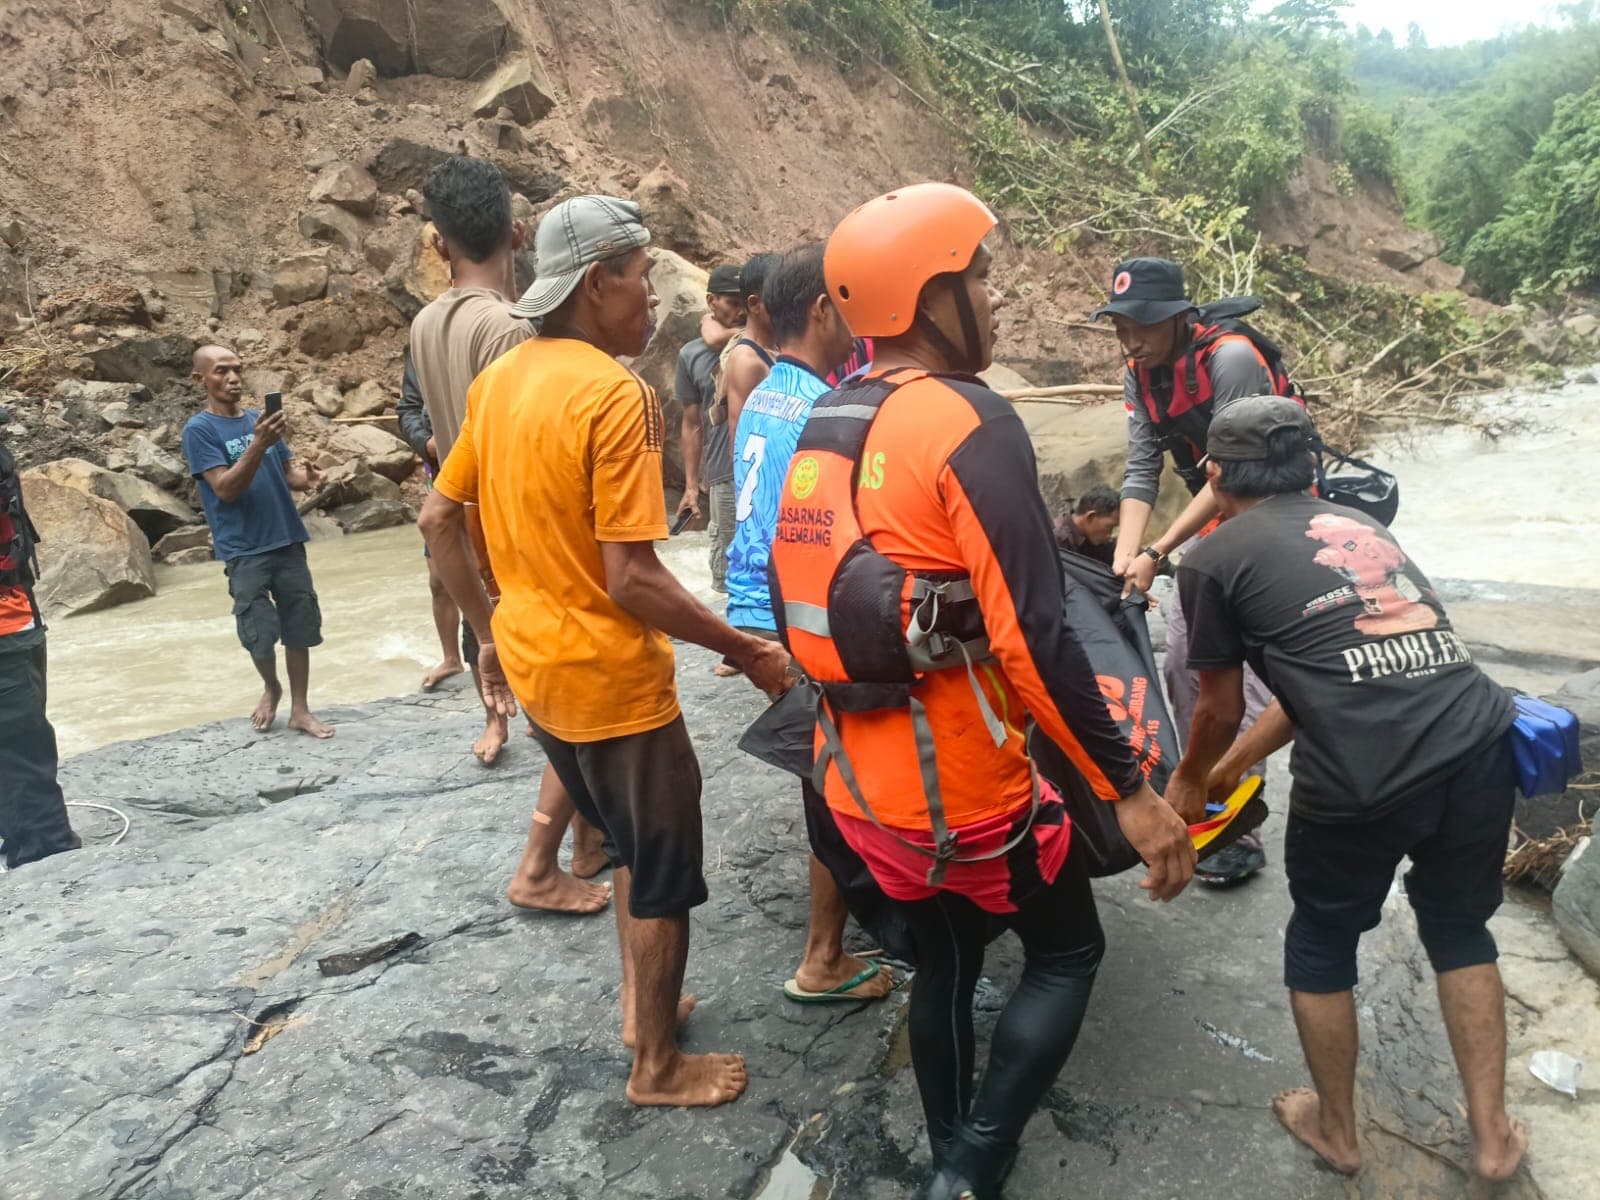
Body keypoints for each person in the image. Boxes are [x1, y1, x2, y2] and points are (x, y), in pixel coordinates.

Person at [771, 184, 1195, 1196]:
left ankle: (955, 1158)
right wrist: (1131, 790)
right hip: (968, 792)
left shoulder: (828, 414)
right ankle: (972, 1161)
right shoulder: (969, 419)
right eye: (979, 280)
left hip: (855, 784)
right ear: (927, 300)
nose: (995, 302)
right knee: (1064, 953)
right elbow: (1035, 641)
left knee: (951, 958)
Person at [420, 194, 792, 1108]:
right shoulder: (615, 396)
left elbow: (439, 518)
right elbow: (631, 578)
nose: (653, 300)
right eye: (643, 278)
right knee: (660, 869)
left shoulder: (500, 380)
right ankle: (656, 1065)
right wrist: (744, 650)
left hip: (541, 674)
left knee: (625, 846)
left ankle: (643, 1013)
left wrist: (491, 628)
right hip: (613, 684)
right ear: (598, 282)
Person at [1162, 395, 1528, 1184]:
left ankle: (1337, 1131)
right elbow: (1318, 678)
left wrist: (1190, 782)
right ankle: (1494, 1139)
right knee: (1462, 929)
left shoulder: (1211, 560)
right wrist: (1229, 774)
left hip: (1364, 775)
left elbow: (1220, 706)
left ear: (1216, 475)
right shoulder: (1362, 527)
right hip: (1477, 741)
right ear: (1309, 468)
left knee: (1322, 941)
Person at [411, 155, 608, 915]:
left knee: (552, 697)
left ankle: (586, 841)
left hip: (464, 533)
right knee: (573, 699)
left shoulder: (428, 322)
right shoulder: (511, 328)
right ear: (517, 232)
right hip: (515, 536)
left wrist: (478, 615)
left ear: (439, 244)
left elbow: (439, 450)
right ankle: (542, 864)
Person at [721, 243, 895, 1006]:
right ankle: (823, 956)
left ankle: (846, 924)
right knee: (836, 774)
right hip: (793, 618)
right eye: (849, 304)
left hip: (756, 607)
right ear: (823, 310)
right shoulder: (826, 407)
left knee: (825, 771)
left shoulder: (767, 389)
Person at [1092, 257, 1291, 884]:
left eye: (1142, 326)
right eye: (1121, 327)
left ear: (1181, 317)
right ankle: (1203, 800)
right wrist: (1128, 553)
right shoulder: (1139, 372)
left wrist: (1159, 553)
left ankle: (1242, 828)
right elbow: (1143, 467)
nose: (1131, 340)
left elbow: (1236, 466)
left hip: (1274, 511)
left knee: (1248, 682)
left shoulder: (1229, 360)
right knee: (1187, 662)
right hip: (1217, 515)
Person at [182, 346, 333, 740]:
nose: (233, 378)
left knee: (299, 626)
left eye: (237, 370)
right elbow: (225, 489)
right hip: (244, 547)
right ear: (201, 380)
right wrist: (258, 444)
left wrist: (309, 480)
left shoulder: (258, 420)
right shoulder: (199, 430)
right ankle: (272, 686)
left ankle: (301, 709)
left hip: (285, 537)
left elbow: (284, 475)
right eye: (221, 372)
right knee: (259, 633)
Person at [0, 405, 80, 870]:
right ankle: (28, 842)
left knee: (20, 751)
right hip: (17, 628)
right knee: (19, 748)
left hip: (9, 632)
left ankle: (46, 854)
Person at [674, 263, 746, 595]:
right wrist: (690, 486)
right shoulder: (691, 355)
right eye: (731, 302)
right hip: (724, 475)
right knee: (727, 582)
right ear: (711, 301)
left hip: (770, 470)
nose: (741, 309)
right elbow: (692, 424)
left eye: (745, 300)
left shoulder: (762, 342)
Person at [397, 349, 464, 692]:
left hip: (488, 466)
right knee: (439, 578)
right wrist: (427, 443)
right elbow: (407, 410)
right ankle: (451, 658)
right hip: (443, 473)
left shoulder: (492, 329)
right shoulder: (423, 345)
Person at [719, 251, 780, 436]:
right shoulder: (747, 361)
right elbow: (738, 433)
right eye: (779, 297)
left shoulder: (773, 347)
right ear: (754, 304)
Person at [1053, 485, 1119, 568]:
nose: (1110, 535)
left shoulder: (1093, 535)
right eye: (1109, 527)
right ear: (1090, 517)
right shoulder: (1057, 541)